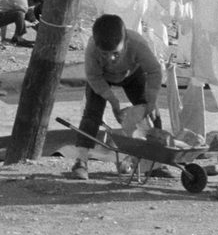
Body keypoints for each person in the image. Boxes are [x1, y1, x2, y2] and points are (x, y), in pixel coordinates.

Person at [68, 14, 164, 180]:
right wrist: (113, 101)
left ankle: (156, 163)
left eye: (115, 53)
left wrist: (151, 99)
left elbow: (154, 71)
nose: (110, 59)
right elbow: (94, 78)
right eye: (105, 54)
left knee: (151, 114)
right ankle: (81, 161)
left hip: (132, 74)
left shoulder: (137, 43)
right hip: (102, 77)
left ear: (125, 41)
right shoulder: (92, 49)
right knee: (92, 115)